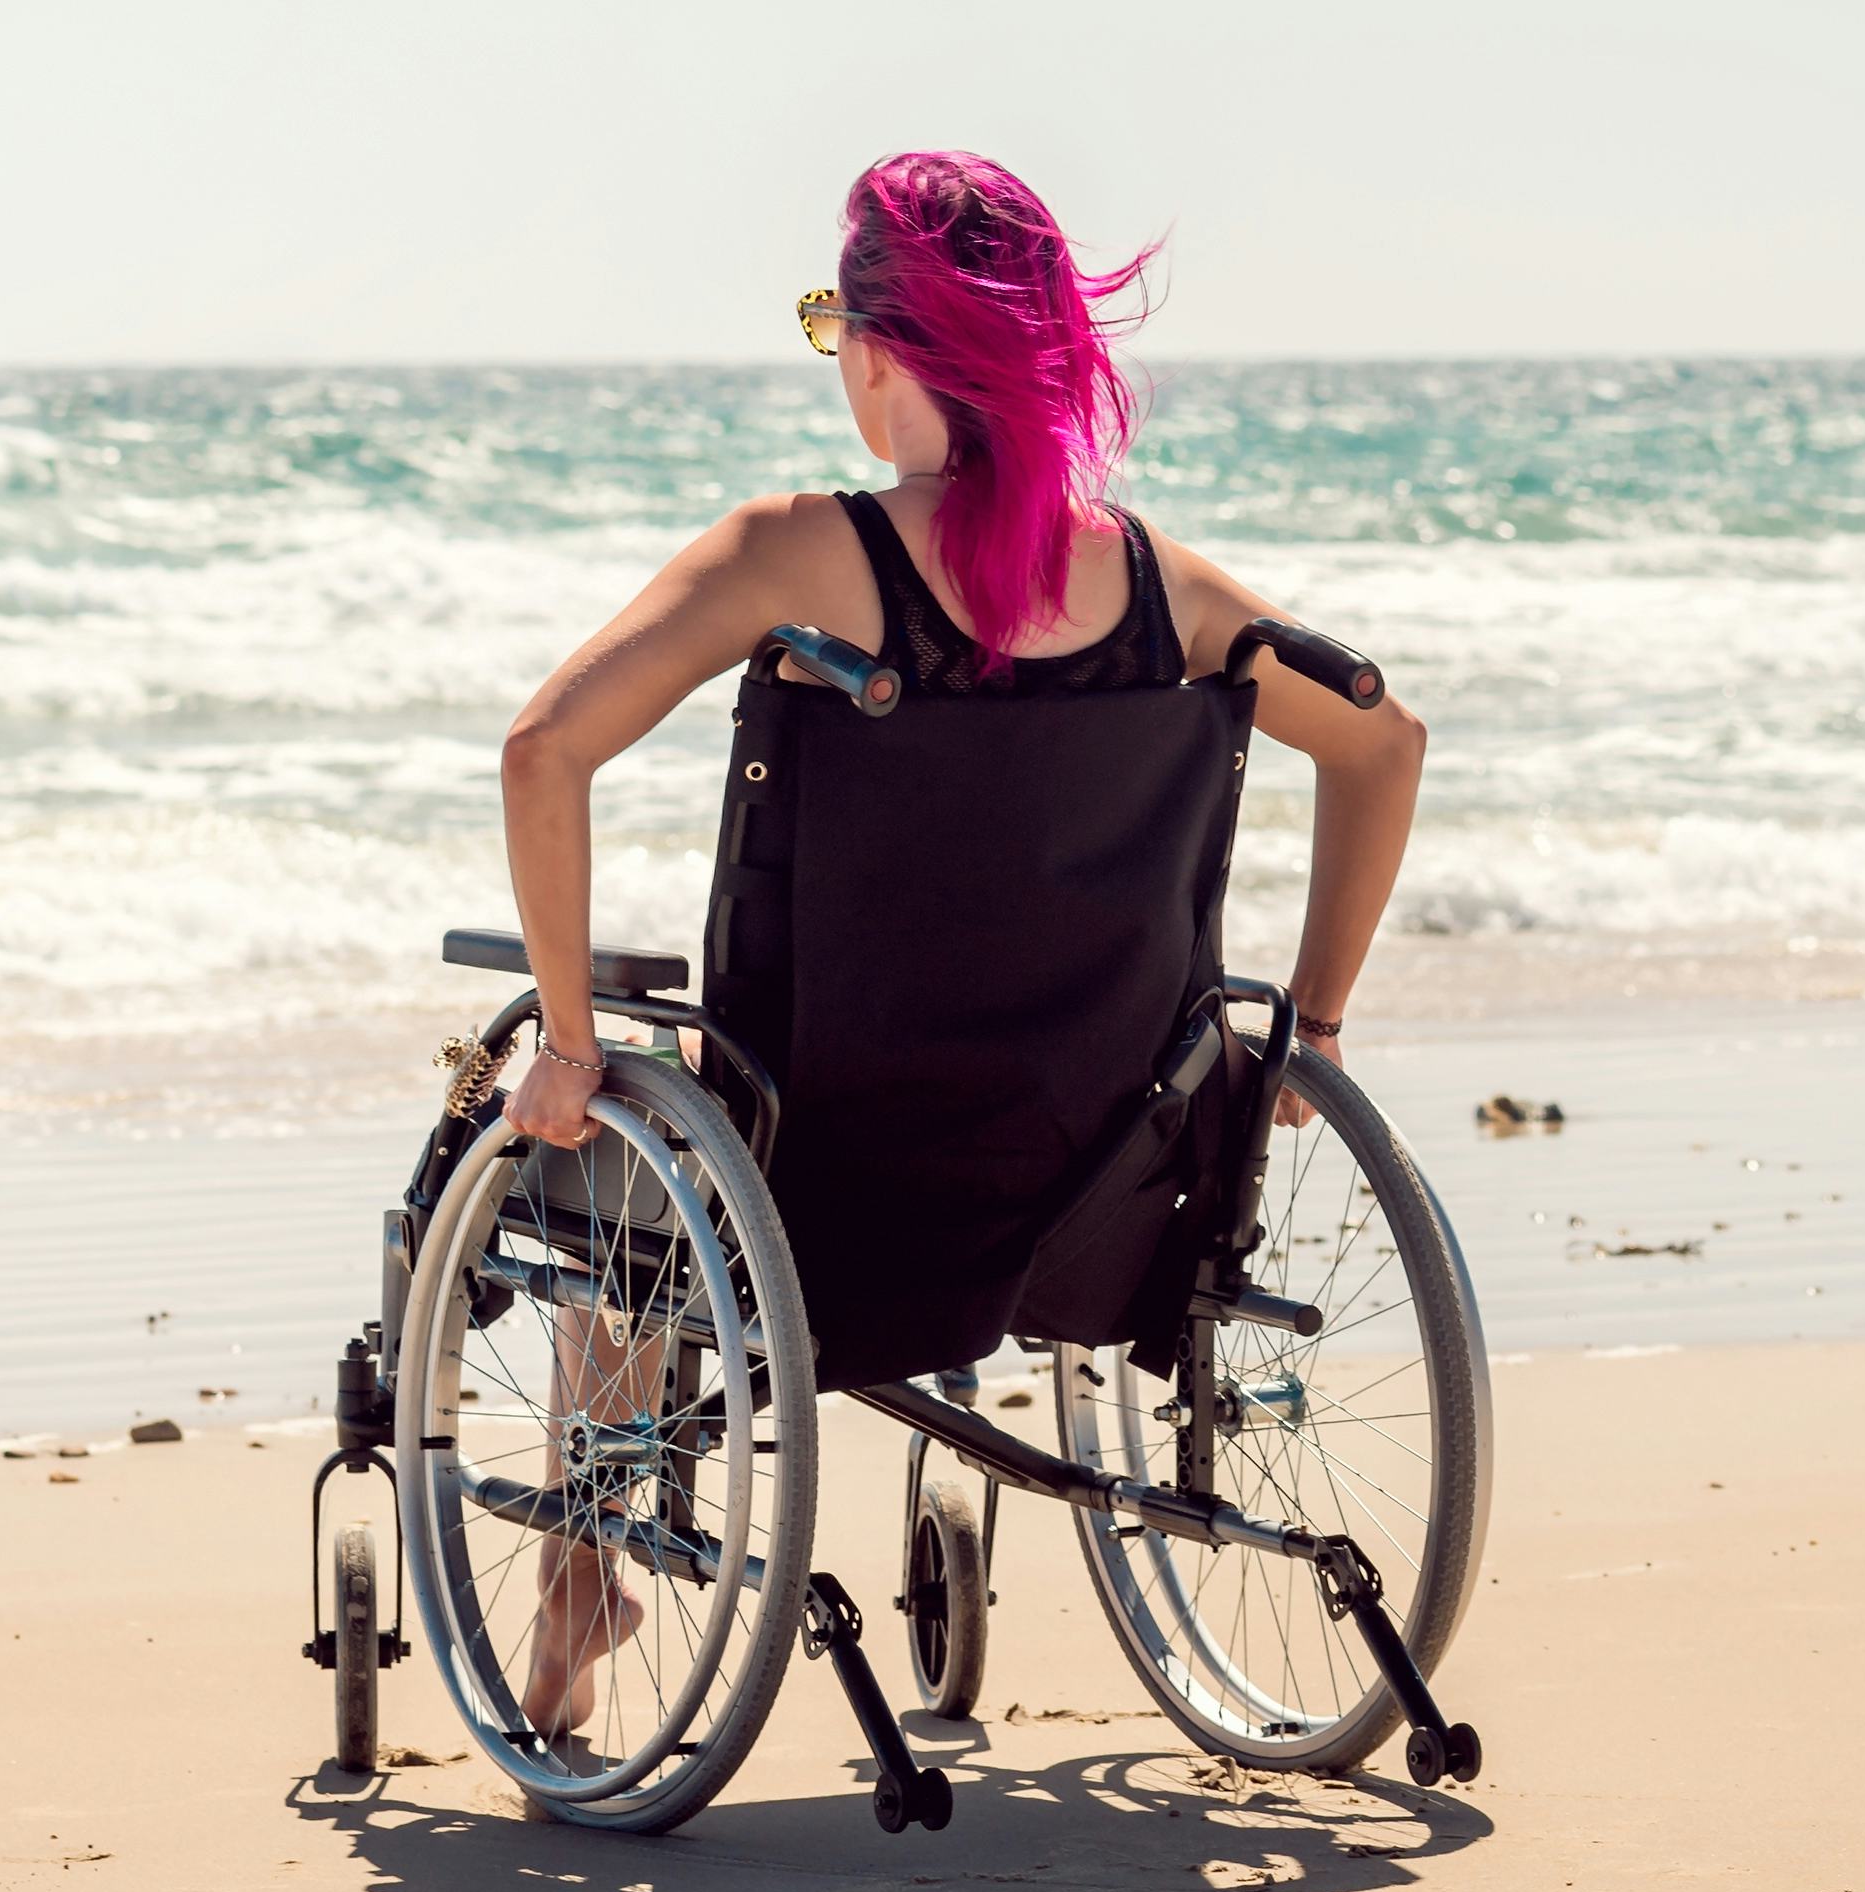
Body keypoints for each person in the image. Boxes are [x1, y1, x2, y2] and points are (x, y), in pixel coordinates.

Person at [483, 150, 1428, 1733]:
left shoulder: (799, 552)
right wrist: (1313, 1028)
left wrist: (571, 1048)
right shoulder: (1159, 589)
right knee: (650, 1106)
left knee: (617, 1126)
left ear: (869, 345)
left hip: (822, 1184)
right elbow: (1387, 746)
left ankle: (585, 1572)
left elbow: (542, 751)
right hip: (1099, 1182)